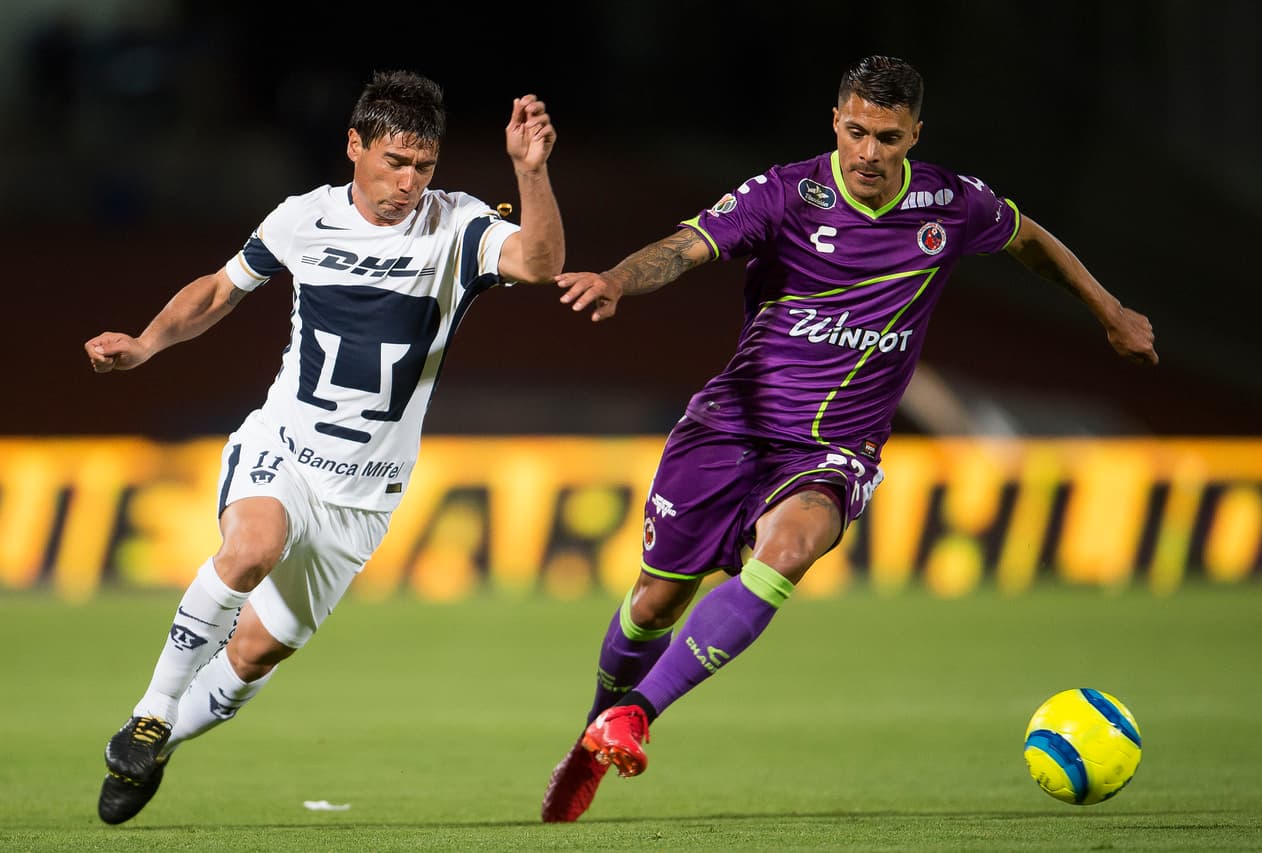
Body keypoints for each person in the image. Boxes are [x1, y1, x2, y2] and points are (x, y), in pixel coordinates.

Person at [540, 55, 1157, 823]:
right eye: (857, 131)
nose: (869, 152)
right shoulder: (785, 194)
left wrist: (1110, 310)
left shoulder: (949, 203)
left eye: (889, 138)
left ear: (914, 135)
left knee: (791, 548)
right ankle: (593, 729)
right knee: (656, 599)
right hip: (731, 426)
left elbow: (1029, 238)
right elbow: (686, 245)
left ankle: (637, 716)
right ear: (836, 121)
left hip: (835, 449)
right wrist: (617, 280)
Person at [84, 70, 564, 825]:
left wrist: (529, 174)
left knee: (253, 654)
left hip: (366, 494)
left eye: (424, 167)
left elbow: (538, 264)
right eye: (394, 163)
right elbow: (219, 290)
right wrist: (145, 344)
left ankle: (156, 743)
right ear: (354, 145)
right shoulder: (302, 218)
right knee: (250, 548)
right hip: (286, 448)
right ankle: (152, 708)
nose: (408, 183)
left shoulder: (459, 227)